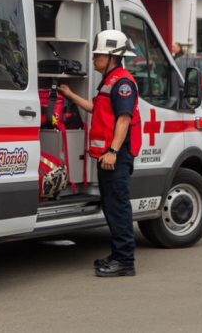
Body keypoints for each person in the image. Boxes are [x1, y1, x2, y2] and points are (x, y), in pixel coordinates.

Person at [58, 30, 142, 278]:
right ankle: (118, 255)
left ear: (112, 56)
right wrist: (70, 95)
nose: (94, 59)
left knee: (118, 207)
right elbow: (97, 108)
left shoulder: (123, 83)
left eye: (98, 55)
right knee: (111, 206)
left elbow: (124, 119)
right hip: (108, 157)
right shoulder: (110, 81)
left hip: (116, 156)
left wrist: (113, 151)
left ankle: (125, 261)